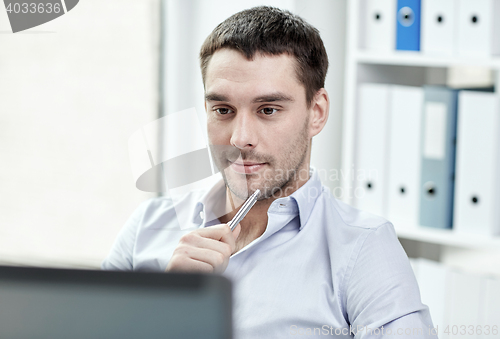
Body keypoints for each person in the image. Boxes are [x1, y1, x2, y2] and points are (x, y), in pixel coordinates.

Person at [102, 6, 435, 338]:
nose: (239, 137)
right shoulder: (146, 228)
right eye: (223, 110)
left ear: (316, 113)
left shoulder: (364, 250)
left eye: (268, 110)